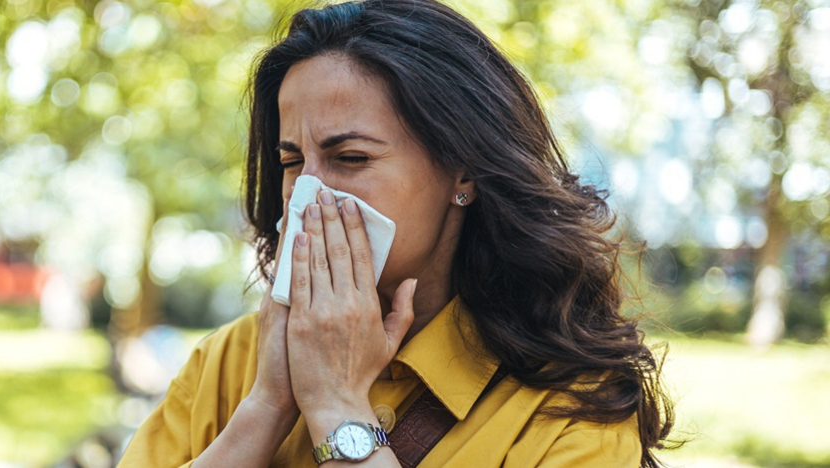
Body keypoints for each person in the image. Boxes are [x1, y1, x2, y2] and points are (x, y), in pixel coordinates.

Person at [118, 0, 674, 466]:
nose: (308, 193)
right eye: (292, 162)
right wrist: (265, 407)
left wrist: (337, 405)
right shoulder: (231, 360)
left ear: (464, 172)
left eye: (351, 157)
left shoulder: (571, 409)